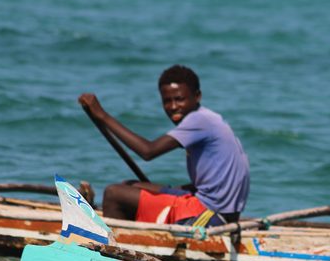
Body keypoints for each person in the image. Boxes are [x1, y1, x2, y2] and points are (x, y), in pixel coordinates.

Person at [78, 65, 250, 227]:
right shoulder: (209, 119)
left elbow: (148, 151)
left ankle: (116, 251)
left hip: (210, 216)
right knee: (131, 186)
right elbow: (209, 185)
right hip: (219, 210)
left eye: (179, 99)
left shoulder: (199, 120)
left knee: (114, 194)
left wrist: (102, 115)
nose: (173, 107)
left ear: (197, 96)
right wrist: (164, 190)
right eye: (167, 101)